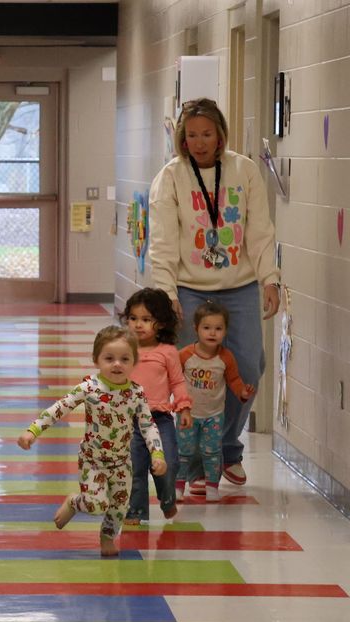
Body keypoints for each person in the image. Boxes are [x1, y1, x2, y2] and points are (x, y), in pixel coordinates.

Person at [148, 97, 280, 492]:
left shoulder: (245, 170)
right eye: (192, 136)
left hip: (239, 286)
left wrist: (269, 278)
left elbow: (259, 230)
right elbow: (163, 241)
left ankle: (225, 448)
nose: (200, 142)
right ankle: (191, 456)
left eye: (207, 134)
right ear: (182, 139)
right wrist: (165, 293)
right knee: (192, 374)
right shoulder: (171, 177)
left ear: (220, 134)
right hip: (189, 289)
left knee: (250, 367)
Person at [17, 326, 167, 557]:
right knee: (96, 505)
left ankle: (107, 537)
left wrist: (157, 454)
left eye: (124, 359)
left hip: (121, 463)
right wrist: (33, 430)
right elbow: (60, 408)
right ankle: (75, 502)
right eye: (109, 358)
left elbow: (147, 425)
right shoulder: (89, 388)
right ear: (96, 360)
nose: (117, 364)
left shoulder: (136, 393)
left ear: (134, 361)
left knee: (119, 508)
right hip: (92, 460)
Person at [121, 288, 193, 524]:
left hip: (159, 419)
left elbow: (178, 382)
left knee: (168, 462)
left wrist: (183, 407)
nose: (138, 325)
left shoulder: (168, 352)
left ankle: (167, 499)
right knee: (135, 467)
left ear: (161, 324)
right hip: (130, 421)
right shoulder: (124, 350)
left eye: (146, 319)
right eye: (133, 318)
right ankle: (136, 510)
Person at [178, 301, 255, 502]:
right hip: (188, 414)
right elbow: (174, 379)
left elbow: (234, 380)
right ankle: (177, 487)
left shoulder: (226, 357)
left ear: (225, 331)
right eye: (206, 328)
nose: (212, 333)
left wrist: (243, 393)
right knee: (183, 451)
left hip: (213, 416)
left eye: (218, 329)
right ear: (196, 329)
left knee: (212, 451)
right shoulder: (185, 355)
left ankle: (213, 487)